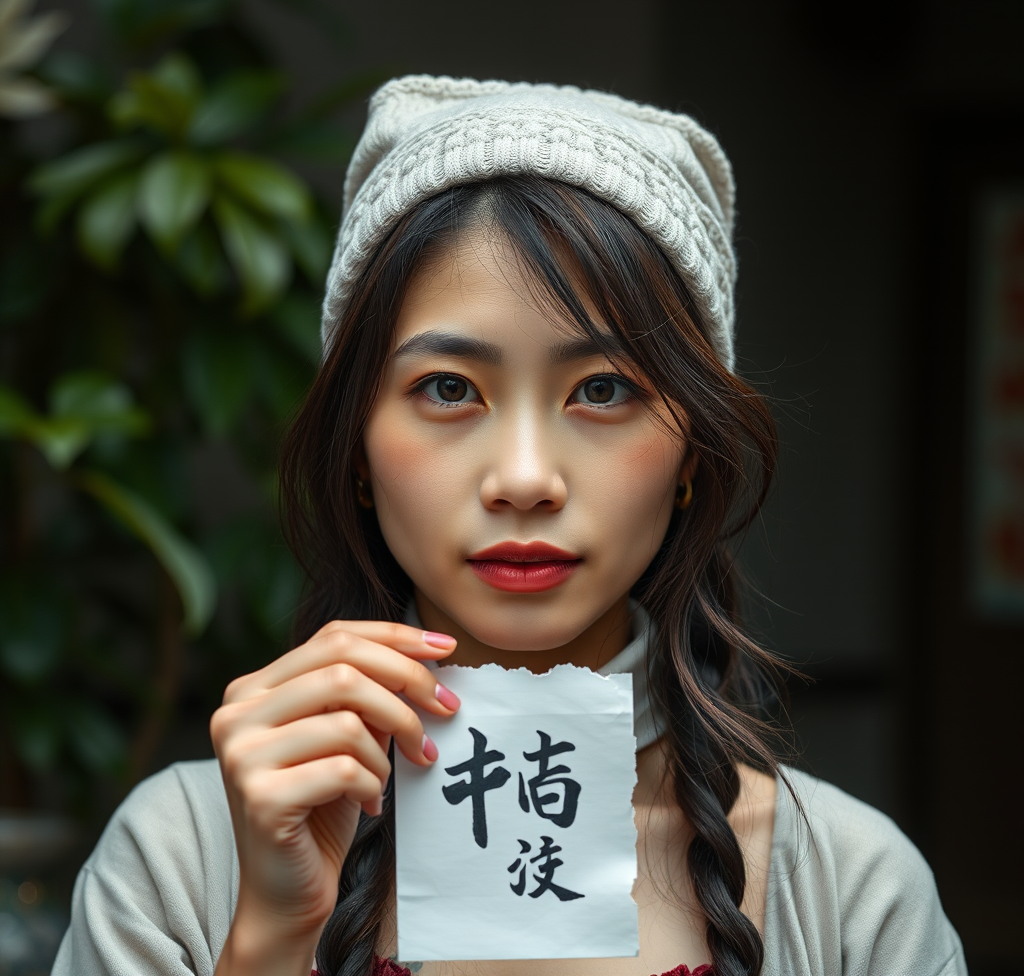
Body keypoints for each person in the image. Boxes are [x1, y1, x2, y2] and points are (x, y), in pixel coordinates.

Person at [51, 76, 967, 976]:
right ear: (358, 452)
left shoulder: (852, 889)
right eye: (448, 389)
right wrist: (268, 943)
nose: (524, 479)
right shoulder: (179, 862)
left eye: (601, 390)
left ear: (693, 455)